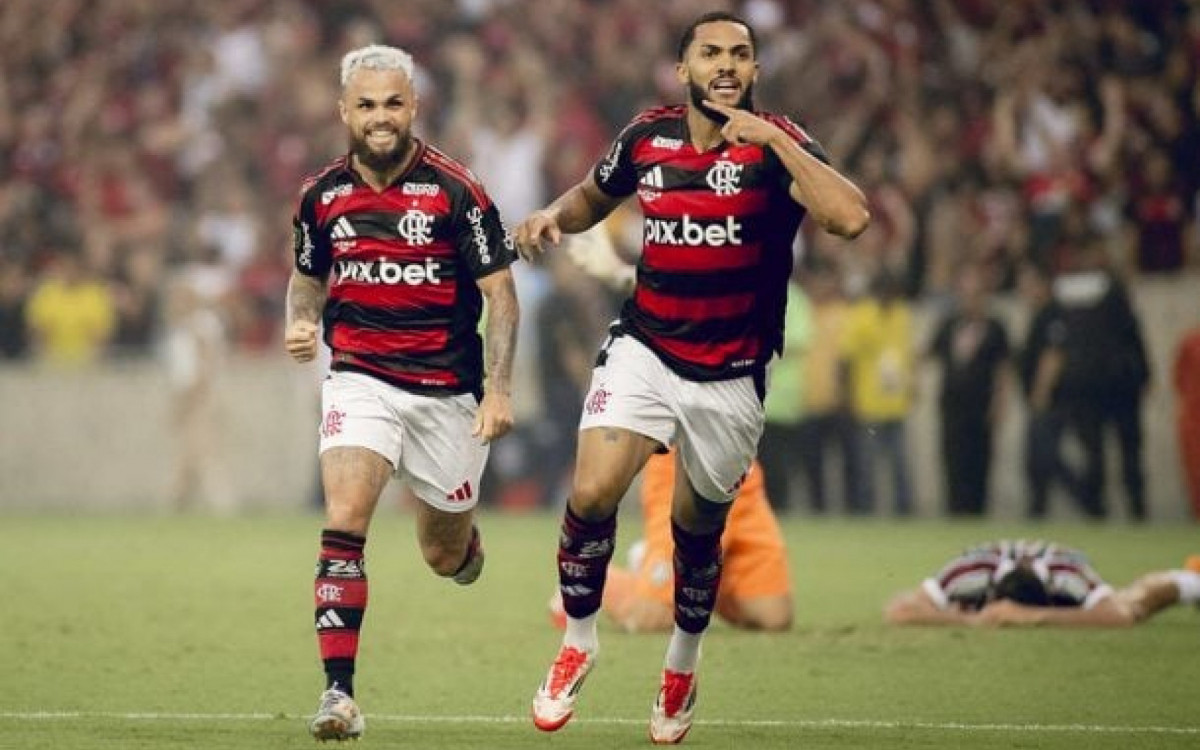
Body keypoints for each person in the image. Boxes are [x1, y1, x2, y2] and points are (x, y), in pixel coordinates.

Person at [514, 11, 868, 743]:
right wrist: (553, 214)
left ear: (756, 71)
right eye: (711, 53)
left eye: (741, 54)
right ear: (684, 70)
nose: (727, 64)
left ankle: (682, 664)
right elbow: (593, 195)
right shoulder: (647, 137)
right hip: (646, 346)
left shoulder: (781, 146)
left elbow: (851, 217)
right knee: (590, 492)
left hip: (732, 373)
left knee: (696, 530)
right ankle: (578, 643)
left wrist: (771, 137)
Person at [283, 44, 519, 742]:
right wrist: (301, 321)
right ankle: (339, 696)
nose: (380, 118)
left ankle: (463, 544)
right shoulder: (320, 196)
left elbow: (501, 298)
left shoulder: (456, 190)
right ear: (344, 112)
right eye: (366, 105)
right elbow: (306, 274)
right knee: (346, 514)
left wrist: (498, 392)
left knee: (443, 557)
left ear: (413, 107)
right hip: (359, 378)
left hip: (448, 394)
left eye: (392, 103)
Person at [550, 449, 793, 633]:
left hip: (742, 467)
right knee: (653, 619)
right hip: (682, 468)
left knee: (774, 618)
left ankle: (680, 572)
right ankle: (594, 579)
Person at [884, 539, 1200, 627]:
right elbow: (900, 609)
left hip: (1071, 584)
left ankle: (1190, 581)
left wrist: (1034, 617)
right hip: (984, 591)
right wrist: (969, 620)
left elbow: (1119, 616)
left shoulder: (1066, 574)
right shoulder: (971, 571)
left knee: (1134, 602)